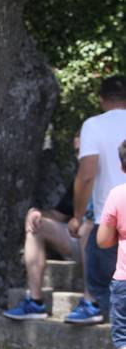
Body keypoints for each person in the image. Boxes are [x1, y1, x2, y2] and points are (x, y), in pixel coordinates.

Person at [5, 136, 94, 320]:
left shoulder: (115, 176)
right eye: (76, 152)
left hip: (110, 246)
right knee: (36, 224)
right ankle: (35, 302)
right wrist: (37, 213)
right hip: (81, 242)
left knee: (88, 227)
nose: (79, 157)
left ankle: (91, 302)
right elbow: (57, 215)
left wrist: (83, 220)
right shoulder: (79, 180)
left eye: (83, 151)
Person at [67, 75, 126, 323]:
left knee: (104, 283)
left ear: (101, 100)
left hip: (111, 218)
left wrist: (77, 216)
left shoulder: (93, 125)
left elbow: (87, 175)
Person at [97, 140, 126, 349]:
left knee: (123, 336)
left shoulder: (117, 194)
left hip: (124, 280)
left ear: (122, 166)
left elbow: (103, 240)